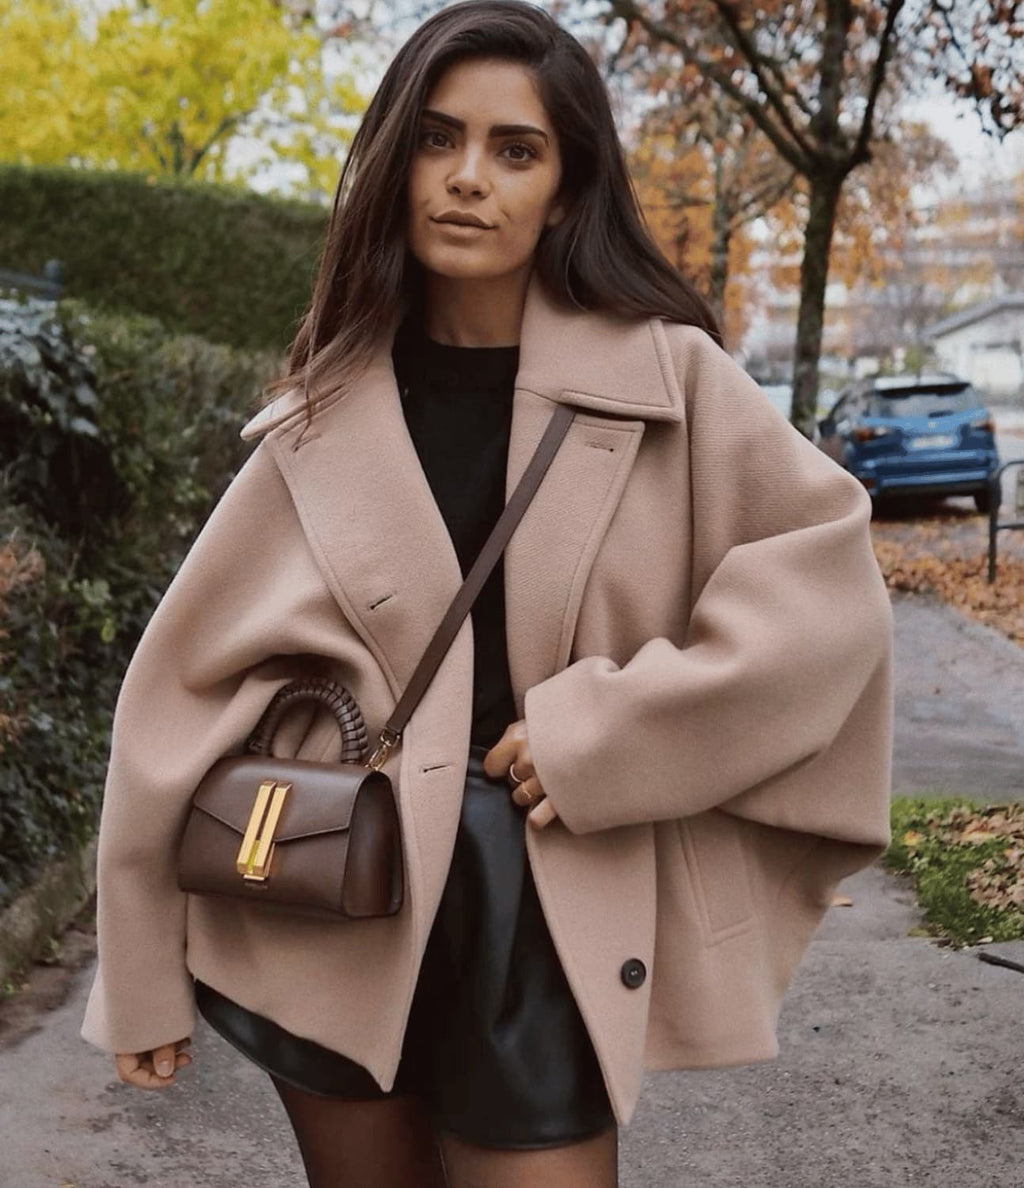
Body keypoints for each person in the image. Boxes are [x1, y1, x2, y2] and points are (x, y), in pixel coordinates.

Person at [80, 2, 894, 1186]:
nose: (469, 179)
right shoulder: (317, 413)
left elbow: (828, 601)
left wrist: (608, 738)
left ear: (566, 188)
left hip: (546, 906)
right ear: (394, 160)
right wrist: (143, 971)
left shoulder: (664, 379)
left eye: (516, 151)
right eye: (437, 138)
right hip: (334, 903)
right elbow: (175, 699)